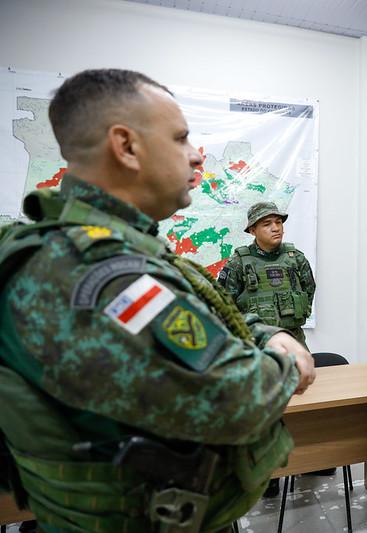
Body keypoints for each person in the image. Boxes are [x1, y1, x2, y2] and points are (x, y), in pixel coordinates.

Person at [0, 69, 315, 532]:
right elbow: (235, 399)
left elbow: (205, 308)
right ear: (126, 146)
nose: (196, 155)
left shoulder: (95, 247)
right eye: (181, 138)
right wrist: (287, 364)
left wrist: (267, 332)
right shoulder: (98, 273)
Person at [218, 202, 315, 349]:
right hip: (256, 344)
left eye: (278, 222)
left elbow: (309, 290)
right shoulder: (238, 263)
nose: (275, 228)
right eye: (267, 224)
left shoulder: (296, 258)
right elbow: (223, 305)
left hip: (294, 341)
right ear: (252, 230)